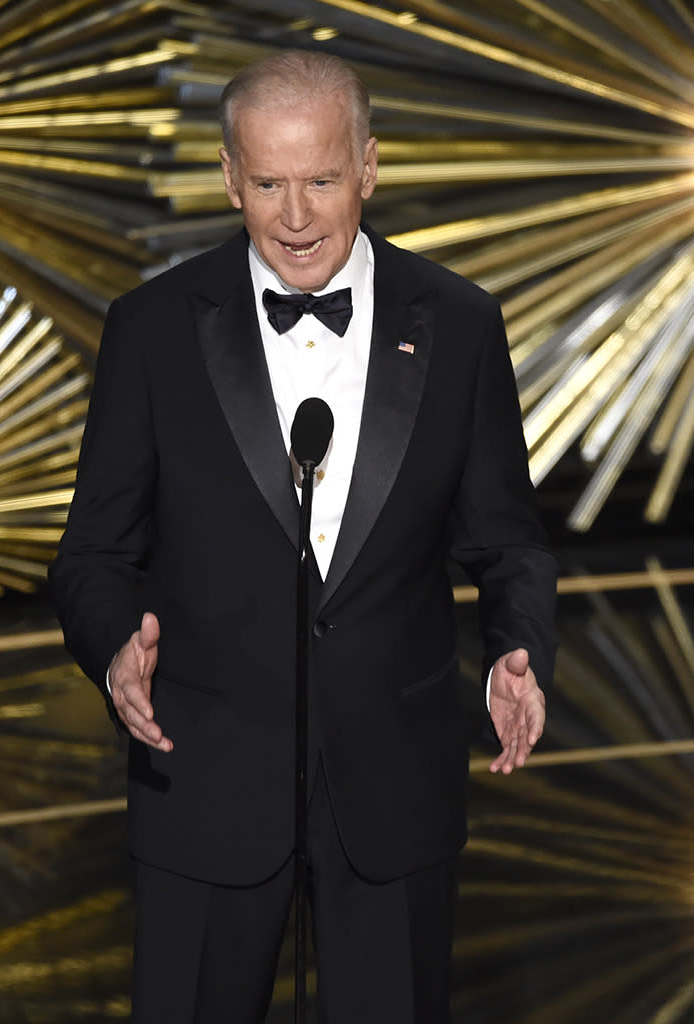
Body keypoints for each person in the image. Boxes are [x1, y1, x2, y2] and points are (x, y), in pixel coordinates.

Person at [49, 49, 557, 1023]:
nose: (294, 217)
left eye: (321, 181)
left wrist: (515, 644)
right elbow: (91, 555)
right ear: (228, 178)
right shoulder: (150, 330)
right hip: (199, 781)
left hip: (395, 787)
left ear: (367, 165)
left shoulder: (457, 323)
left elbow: (506, 541)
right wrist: (116, 648)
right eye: (269, 184)